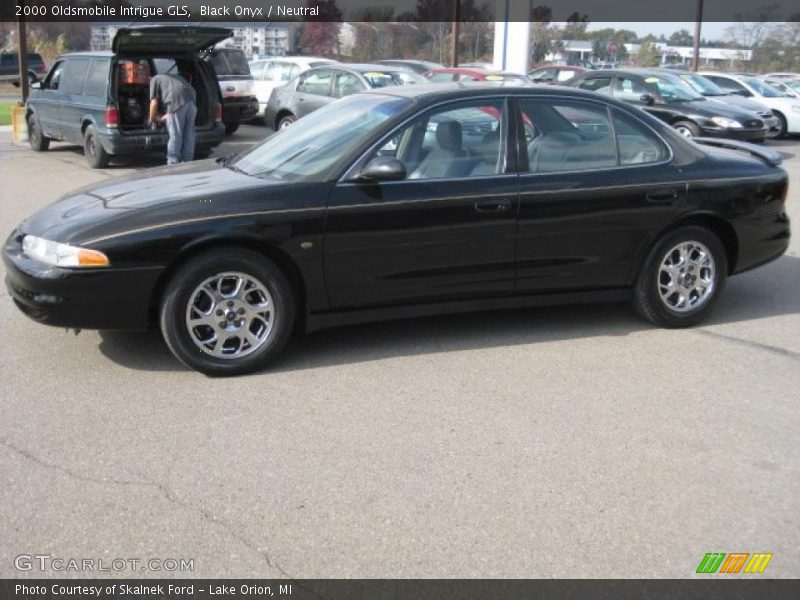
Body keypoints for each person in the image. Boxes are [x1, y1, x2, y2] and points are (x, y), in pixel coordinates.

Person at [148, 63, 197, 165]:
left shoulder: (154, 80)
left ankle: (172, 163)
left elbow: (154, 103)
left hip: (176, 102)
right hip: (192, 102)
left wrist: (152, 118)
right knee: (189, 134)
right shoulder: (174, 77)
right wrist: (167, 116)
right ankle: (187, 161)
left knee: (176, 135)